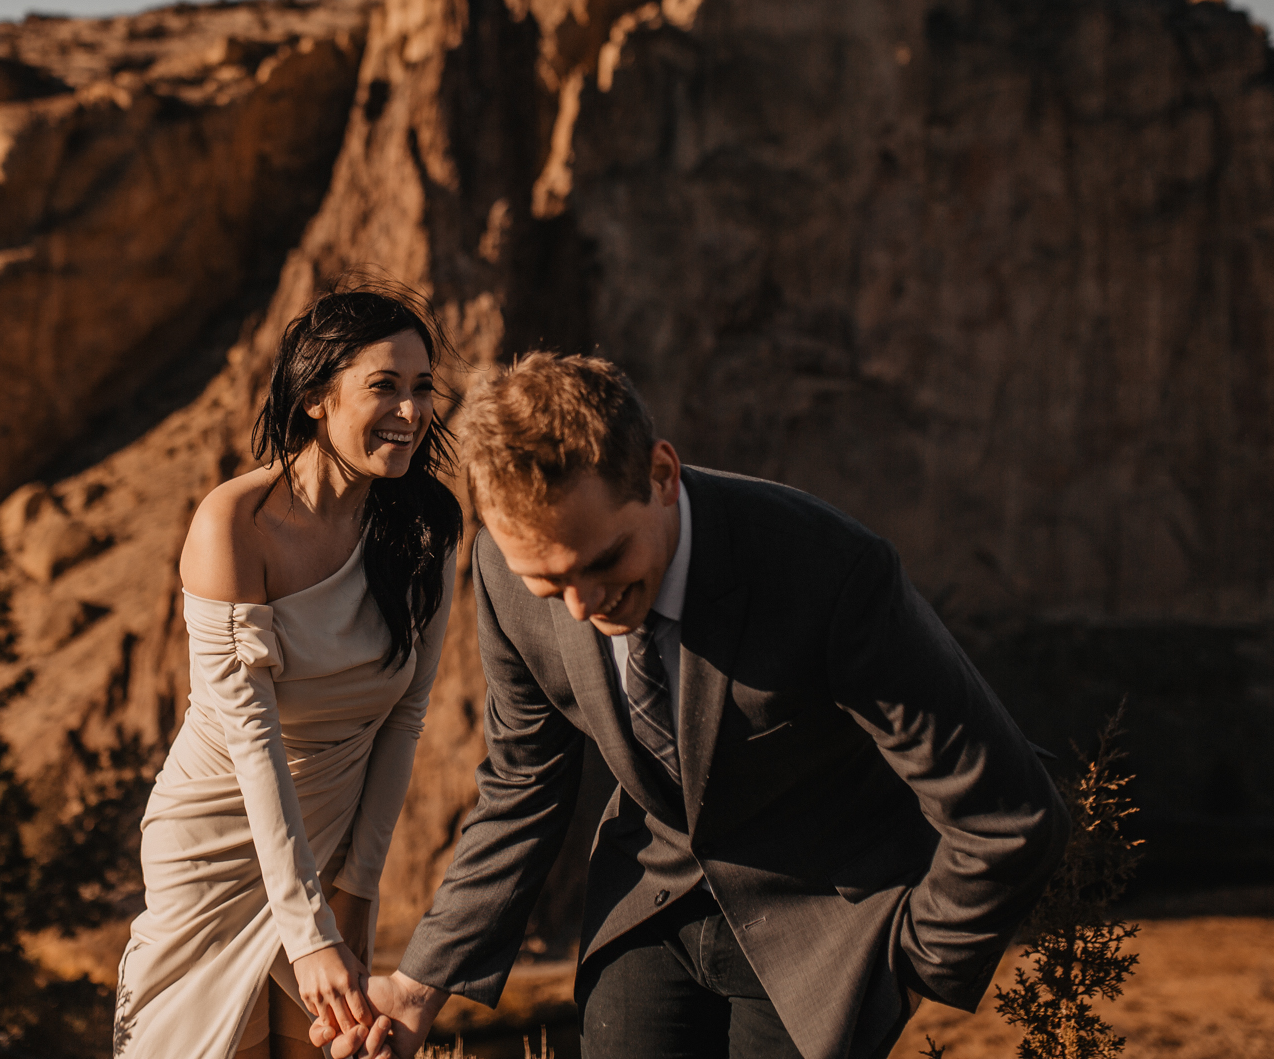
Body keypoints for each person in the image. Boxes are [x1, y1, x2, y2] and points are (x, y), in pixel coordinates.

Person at [327, 353, 1067, 1059]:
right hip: (648, 898)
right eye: (551, 584)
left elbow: (1008, 812)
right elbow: (524, 781)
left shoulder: (829, 571)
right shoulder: (501, 571)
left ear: (662, 474)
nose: (583, 607)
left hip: (826, 923)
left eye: (606, 560)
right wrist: (421, 983)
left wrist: (909, 964)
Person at [112, 284, 465, 1059]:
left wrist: (358, 889)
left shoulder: (427, 528)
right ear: (313, 397)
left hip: (330, 842)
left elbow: (406, 716)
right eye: (383, 387)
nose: (409, 412)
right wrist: (307, 926)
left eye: (421, 388)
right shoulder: (234, 525)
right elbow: (250, 735)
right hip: (218, 840)